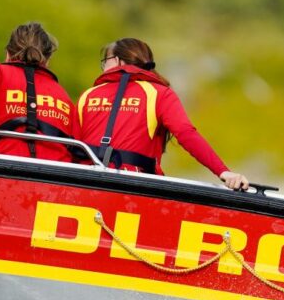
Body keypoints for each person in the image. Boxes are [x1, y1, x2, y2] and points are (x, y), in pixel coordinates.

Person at [74, 38, 249, 190]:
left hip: (84, 181)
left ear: (119, 61)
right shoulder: (160, 93)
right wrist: (223, 171)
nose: (104, 66)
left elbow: (73, 146)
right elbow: (186, 133)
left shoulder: (88, 95)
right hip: (135, 184)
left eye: (106, 60)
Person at [0, 22, 76, 161]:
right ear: (48, 60)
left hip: (7, 168)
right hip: (55, 176)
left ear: (8, 53)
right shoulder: (63, 95)